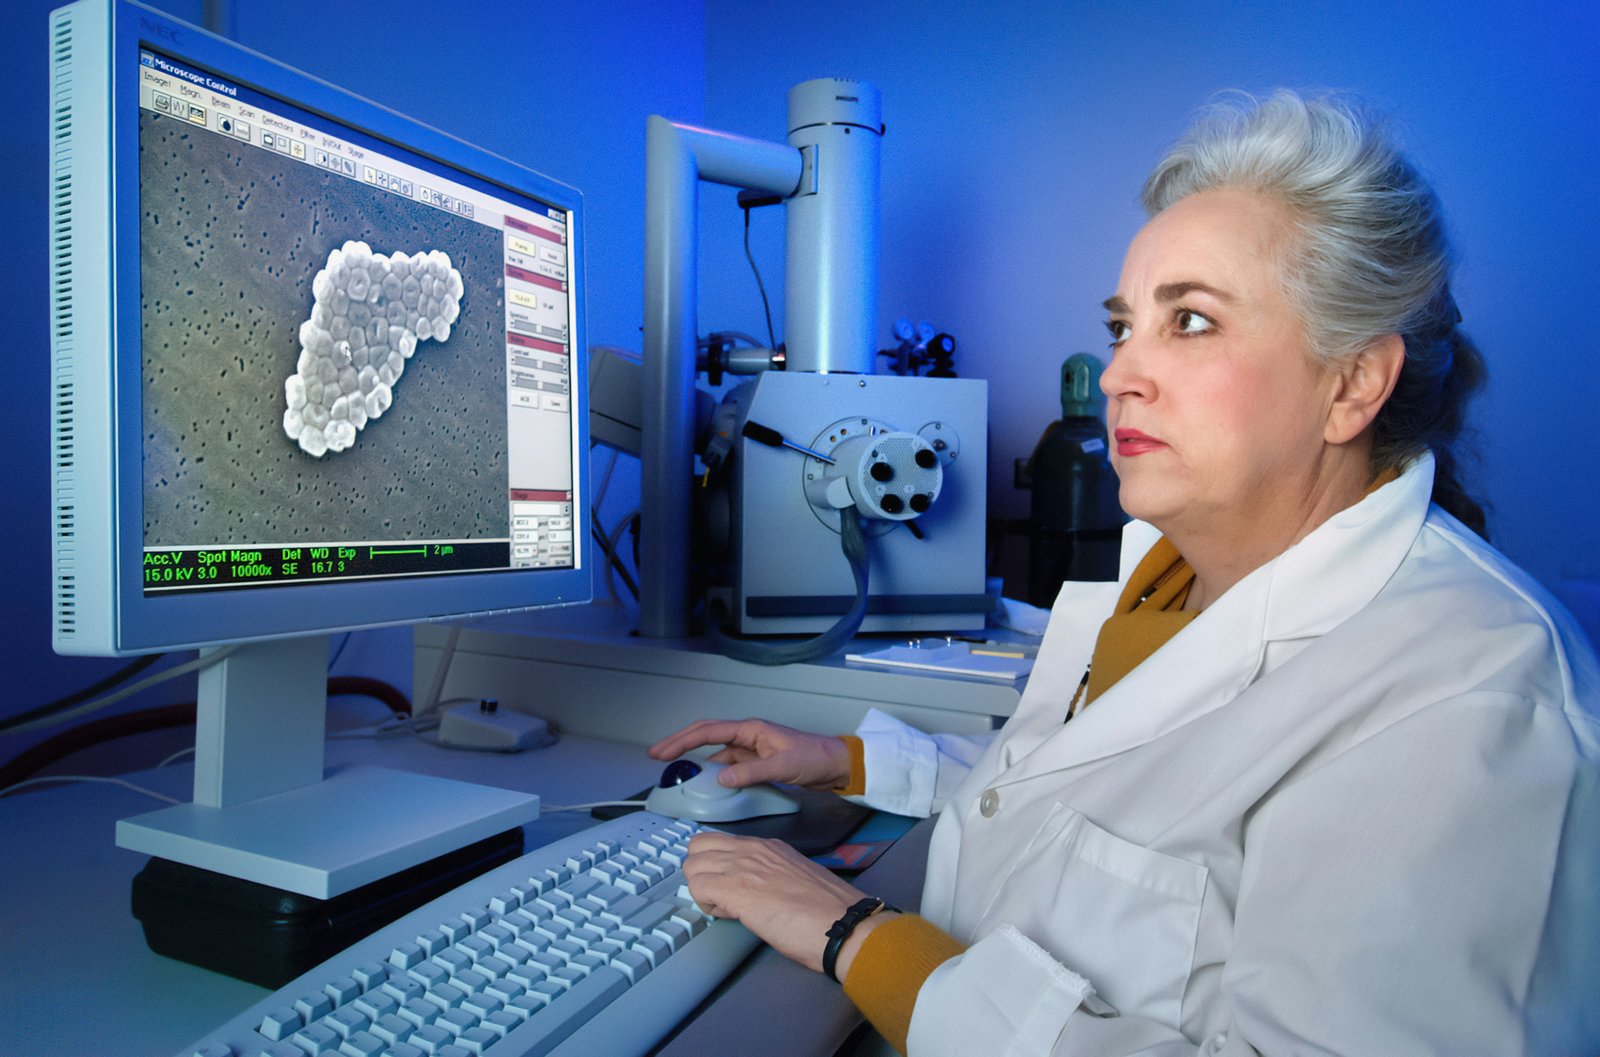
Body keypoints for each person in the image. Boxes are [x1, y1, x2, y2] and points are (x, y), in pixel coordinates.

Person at [649, 90, 1600, 1056]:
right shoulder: (1174, 574)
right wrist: (850, 761)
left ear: (1352, 382)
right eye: (1123, 325)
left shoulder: (1471, 699)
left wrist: (859, 935)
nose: (1118, 374)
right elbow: (1083, 797)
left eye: (1189, 321)